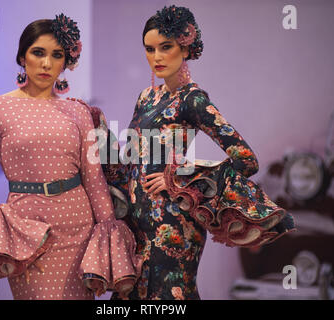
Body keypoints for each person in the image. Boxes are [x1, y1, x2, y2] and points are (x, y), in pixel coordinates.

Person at [0, 13, 140, 300]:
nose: (46, 63)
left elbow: (92, 178)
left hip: (78, 225)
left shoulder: (77, 111)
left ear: (65, 63)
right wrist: (1, 222)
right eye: (38, 52)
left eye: (56, 55)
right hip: (27, 232)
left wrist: (107, 230)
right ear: (22, 57)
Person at [97, 5, 295, 300]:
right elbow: (134, 157)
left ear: (186, 48)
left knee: (172, 297)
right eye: (149, 49)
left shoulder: (193, 100)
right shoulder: (146, 97)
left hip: (173, 223)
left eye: (166, 47)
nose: (157, 57)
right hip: (137, 225)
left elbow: (245, 159)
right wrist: (96, 129)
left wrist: (177, 178)